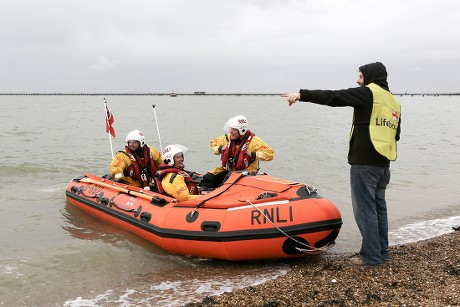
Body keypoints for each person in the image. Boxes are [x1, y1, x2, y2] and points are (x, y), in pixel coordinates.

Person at [282, 62, 401, 267]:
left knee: (365, 211)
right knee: (379, 209)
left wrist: (303, 95)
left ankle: (371, 257)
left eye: (361, 76)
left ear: (370, 77)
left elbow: (335, 96)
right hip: (383, 165)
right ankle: (382, 251)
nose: (358, 80)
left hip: (364, 164)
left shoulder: (368, 94)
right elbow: (396, 135)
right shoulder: (393, 103)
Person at [201, 115, 275, 189]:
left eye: (233, 130)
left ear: (242, 130)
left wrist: (253, 154)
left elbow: (270, 154)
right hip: (229, 170)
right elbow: (213, 143)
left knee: (229, 178)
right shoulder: (227, 138)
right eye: (230, 129)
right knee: (208, 177)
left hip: (247, 174)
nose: (231, 132)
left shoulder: (255, 142)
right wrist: (220, 148)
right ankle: (206, 195)